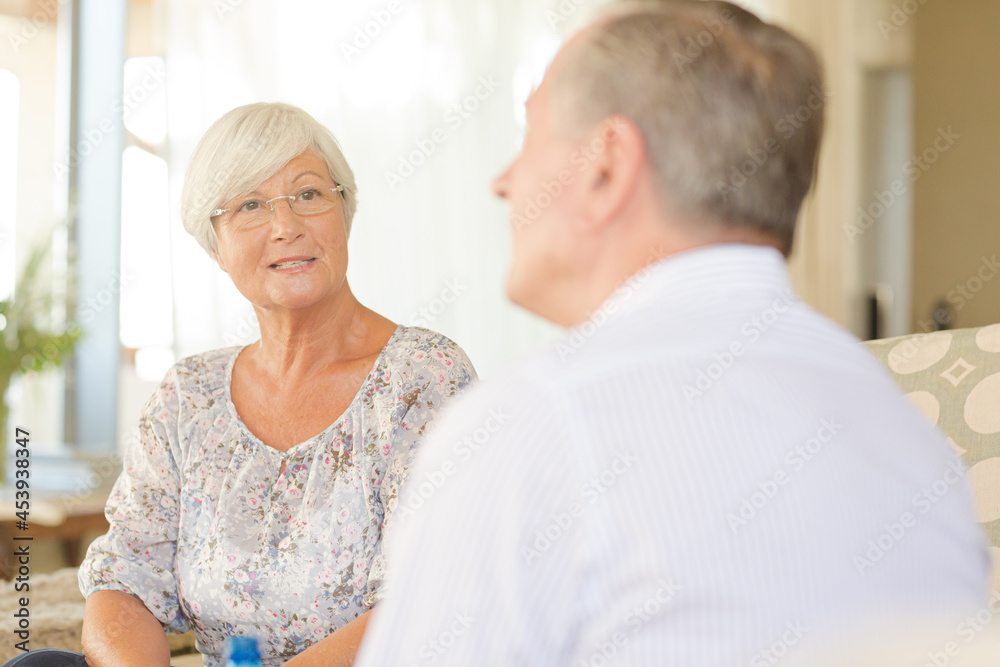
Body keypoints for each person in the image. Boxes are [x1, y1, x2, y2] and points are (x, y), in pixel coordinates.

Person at [354, 2, 991, 665]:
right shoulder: (915, 445)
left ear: (607, 166)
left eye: (531, 133)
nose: (502, 181)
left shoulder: (528, 428)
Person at [57, 102, 474, 667]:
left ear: (343, 213)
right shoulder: (189, 396)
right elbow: (125, 576)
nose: (286, 226)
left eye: (308, 195)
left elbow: (427, 599)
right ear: (215, 247)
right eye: (250, 206)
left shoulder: (423, 378)